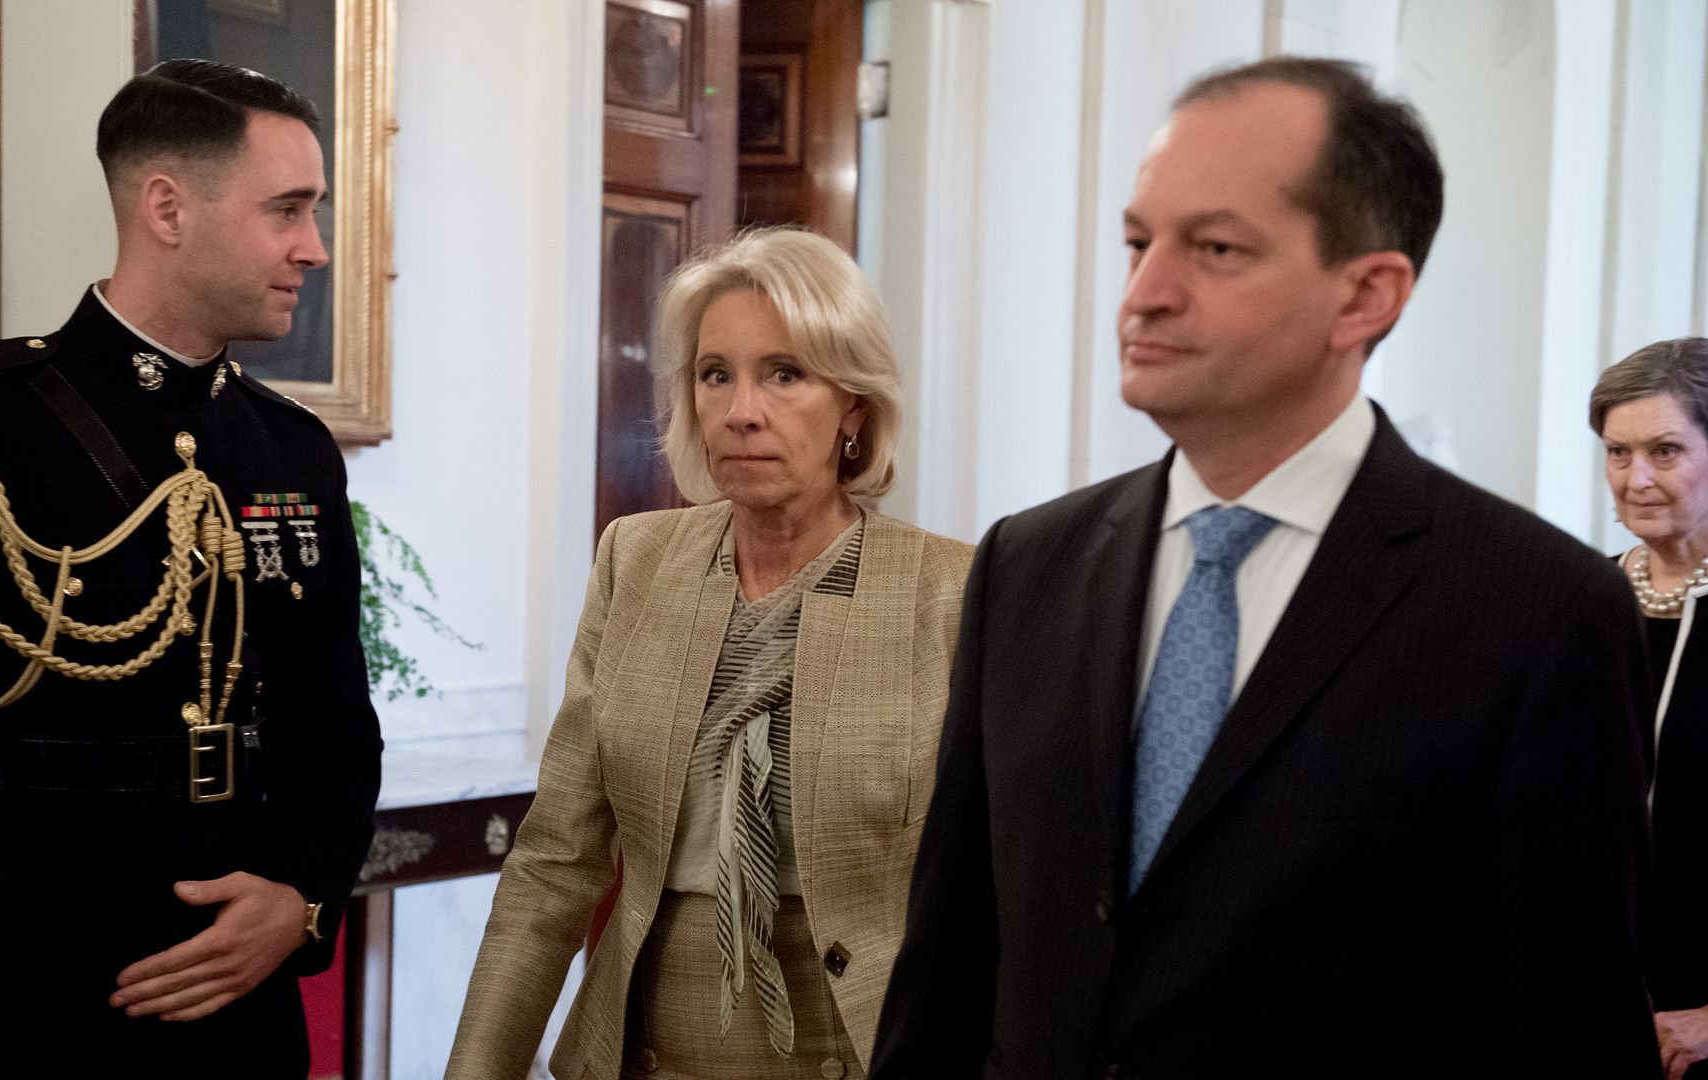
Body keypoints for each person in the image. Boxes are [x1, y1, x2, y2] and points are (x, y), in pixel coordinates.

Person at [871, 56, 1658, 1078]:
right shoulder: (1030, 564)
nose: (1144, 294)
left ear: (1365, 295)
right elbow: (950, 960)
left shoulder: (1536, 614)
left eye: (1215, 247)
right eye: (1138, 242)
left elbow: (1569, 1037)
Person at [0, 59, 382, 1078]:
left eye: (314, 211)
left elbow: (333, 723)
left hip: (232, 1008)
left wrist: (301, 897)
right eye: (288, 209)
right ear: (167, 208)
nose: (314, 249)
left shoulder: (288, 449)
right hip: (21, 983)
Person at [445, 227, 972, 1080]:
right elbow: (555, 865)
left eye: (786, 374)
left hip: (859, 1049)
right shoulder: (636, 560)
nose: (741, 410)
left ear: (854, 406)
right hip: (642, 1050)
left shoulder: (951, 591)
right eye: (715, 373)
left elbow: (995, 890)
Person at [1592, 338, 1708, 1080]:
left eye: (1665, 451)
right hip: (1592, 1010)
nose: (1635, 479)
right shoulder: (1578, 604)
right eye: (1616, 451)